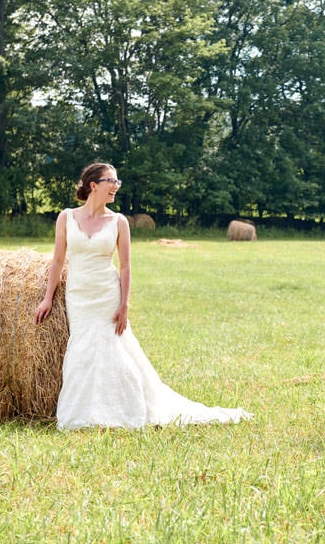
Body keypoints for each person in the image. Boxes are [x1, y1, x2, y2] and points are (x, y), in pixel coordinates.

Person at [32, 163, 251, 430]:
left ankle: (124, 410)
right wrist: (47, 298)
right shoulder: (66, 217)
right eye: (111, 181)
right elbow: (57, 260)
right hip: (78, 294)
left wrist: (124, 304)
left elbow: (124, 266)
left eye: (117, 181)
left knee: (113, 349)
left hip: (107, 294)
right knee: (83, 348)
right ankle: (82, 413)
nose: (116, 186)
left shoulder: (119, 222)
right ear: (94, 185)